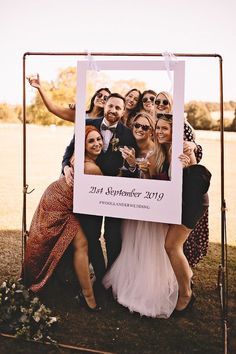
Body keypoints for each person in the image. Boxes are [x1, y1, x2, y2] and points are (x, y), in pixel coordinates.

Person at [62, 93, 138, 295]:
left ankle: (111, 280)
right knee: (92, 236)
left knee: (113, 237)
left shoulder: (128, 133)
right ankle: (100, 275)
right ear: (105, 106)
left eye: (118, 108)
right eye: (110, 106)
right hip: (90, 192)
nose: (113, 111)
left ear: (123, 112)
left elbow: (133, 168)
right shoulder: (88, 123)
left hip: (115, 194)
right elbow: (69, 152)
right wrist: (66, 168)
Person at [22, 125, 104, 311]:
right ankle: (88, 297)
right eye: (91, 140)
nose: (97, 143)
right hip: (58, 204)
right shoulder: (91, 168)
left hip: (57, 196)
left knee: (76, 244)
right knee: (80, 244)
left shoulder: (79, 159)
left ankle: (78, 289)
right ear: (82, 144)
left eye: (99, 139)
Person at [149, 114, 210, 313]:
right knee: (172, 245)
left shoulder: (183, 147)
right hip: (176, 202)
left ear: (173, 131)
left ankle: (186, 295)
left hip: (192, 202)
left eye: (164, 129)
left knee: (172, 245)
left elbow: (196, 179)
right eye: (157, 128)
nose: (159, 132)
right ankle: (184, 280)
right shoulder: (161, 150)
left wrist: (187, 165)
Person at [155, 91, 209, 267]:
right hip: (170, 190)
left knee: (176, 243)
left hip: (188, 195)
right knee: (172, 242)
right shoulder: (155, 124)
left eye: (165, 101)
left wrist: (192, 148)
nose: (160, 104)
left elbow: (193, 155)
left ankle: (185, 283)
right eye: (157, 101)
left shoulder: (182, 127)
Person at [27, 74, 111, 121]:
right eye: (99, 95)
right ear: (94, 97)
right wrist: (40, 88)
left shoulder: (108, 120)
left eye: (106, 98)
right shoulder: (80, 115)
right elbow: (53, 108)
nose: (101, 98)